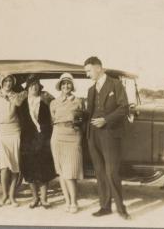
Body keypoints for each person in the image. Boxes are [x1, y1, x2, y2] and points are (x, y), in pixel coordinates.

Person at [83, 56, 131, 220]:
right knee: (100, 173)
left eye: (88, 71)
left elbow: (124, 108)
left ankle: (121, 209)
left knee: (111, 172)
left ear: (98, 68)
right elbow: (88, 113)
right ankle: (105, 207)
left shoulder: (115, 84)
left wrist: (106, 120)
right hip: (93, 136)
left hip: (110, 134)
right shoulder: (90, 90)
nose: (87, 74)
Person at [0, 72, 26, 207]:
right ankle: (4, 195)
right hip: (1, 133)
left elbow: (20, 103)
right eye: (5, 81)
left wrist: (13, 96)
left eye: (10, 81)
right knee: (3, 167)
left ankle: (12, 197)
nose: (8, 84)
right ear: (1, 82)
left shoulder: (16, 96)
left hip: (15, 132)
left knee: (15, 167)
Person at [17, 74, 57, 209]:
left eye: (36, 85)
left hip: (43, 139)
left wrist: (45, 136)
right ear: (27, 88)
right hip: (27, 140)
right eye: (31, 85)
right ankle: (35, 198)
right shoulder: (21, 103)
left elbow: (52, 117)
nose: (34, 87)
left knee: (44, 169)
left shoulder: (46, 101)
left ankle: (44, 199)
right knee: (29, 170)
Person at [50, 73, 84, 213]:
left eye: (68, 83)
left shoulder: (79, 101)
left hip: (73, 136)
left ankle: (74, 202)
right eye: (63, 84)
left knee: (71, 173)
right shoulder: (54, 102)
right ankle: (68, 201)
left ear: (72, 85)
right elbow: (53, 119)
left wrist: (79, 135)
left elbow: (82, 120)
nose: (66, 86)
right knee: (62, 172)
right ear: (60, 86)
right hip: (57, 136)